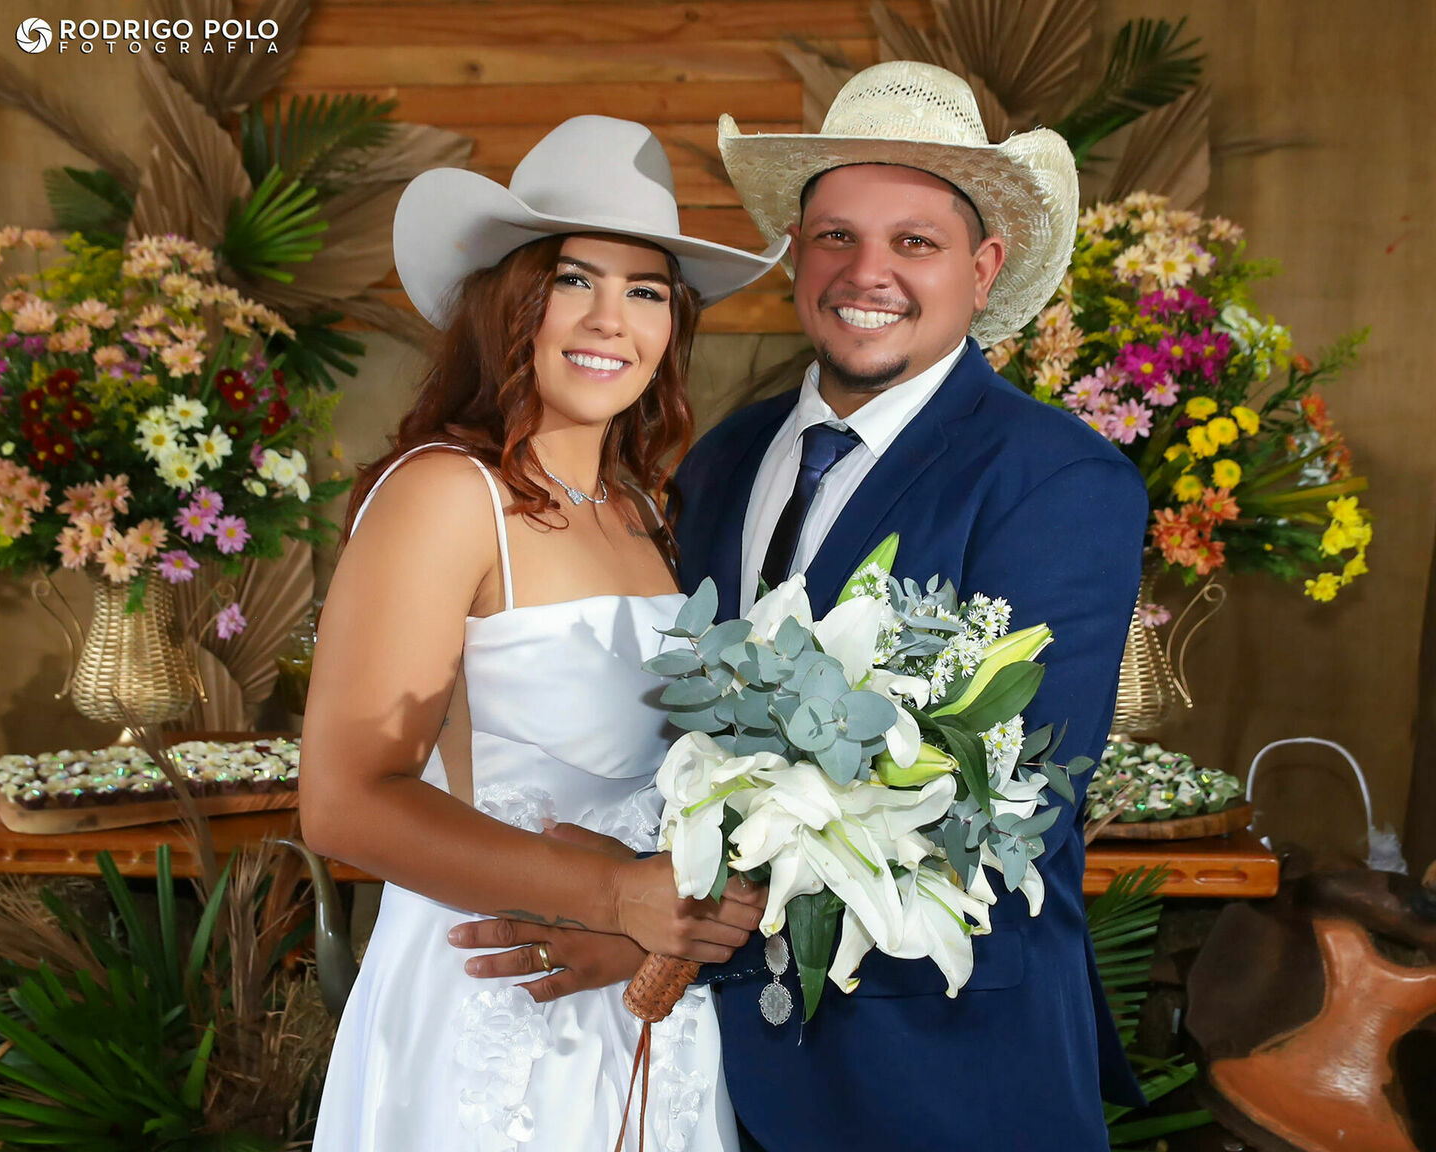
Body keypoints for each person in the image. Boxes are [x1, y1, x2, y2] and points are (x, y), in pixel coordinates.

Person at [449, 62, 1149, 1151]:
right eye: (835, 237)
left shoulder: (1057, 480)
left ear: (983, 269)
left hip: (948, 1075)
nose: (868, 273)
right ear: (795, 253)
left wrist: (663, 936)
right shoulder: (719, 459)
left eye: (914, 241)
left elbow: (1001, 805)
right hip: (718, 1080)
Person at [299, 114, 784, 1152]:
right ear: (507, 303)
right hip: (497, 1015)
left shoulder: (646, 510)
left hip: (648, 1013)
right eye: (575, 280)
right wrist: (618, 892)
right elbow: (343, 802)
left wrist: (665, 924)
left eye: (646, 292)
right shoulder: (445, 494)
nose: (612, 320)